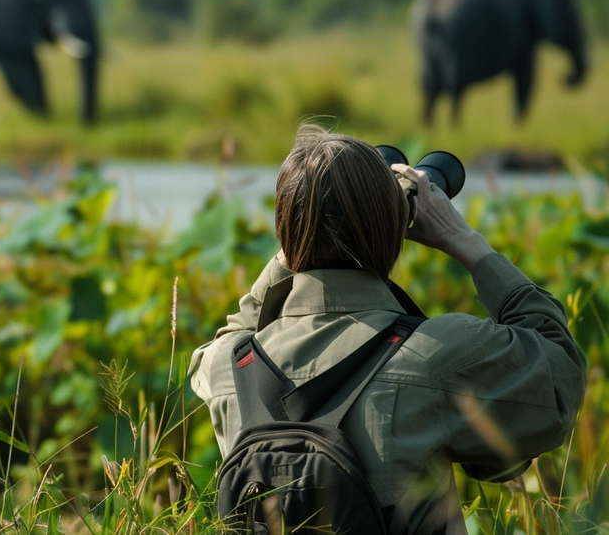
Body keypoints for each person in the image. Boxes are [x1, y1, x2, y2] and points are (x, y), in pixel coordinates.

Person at [189, 124, 585, 534]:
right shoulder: (435, 356)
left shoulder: (228, 369)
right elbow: (561, 375)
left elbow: (239, 326)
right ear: (389, 231)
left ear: (286, 232)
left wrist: (301, 238)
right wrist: (462, 239)